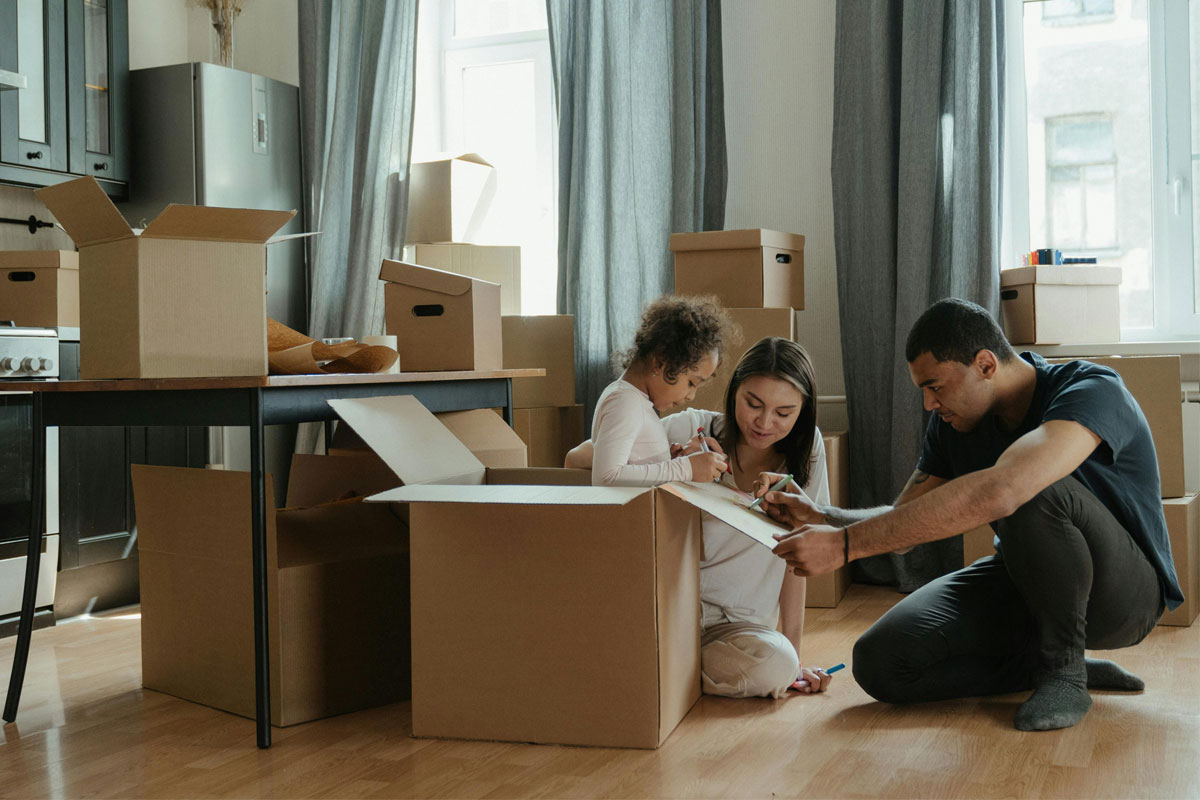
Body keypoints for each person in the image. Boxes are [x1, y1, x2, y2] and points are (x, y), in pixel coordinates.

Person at [766, 298, 1181, 731]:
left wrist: (845, 547)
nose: (928, 404)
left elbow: (1008, 488)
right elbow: (905, 522)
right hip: (1026, 582)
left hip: (1125, 598)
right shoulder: (953, 424)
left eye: (936, 386)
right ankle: (1044, 664)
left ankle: (1065, 672)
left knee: (1030, 486)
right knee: (880, 662)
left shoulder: (1091, 389)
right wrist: (824, 518)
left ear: (985, 364)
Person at [568, 337, 836, 697]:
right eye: (752, 404)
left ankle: (663, 671)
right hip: (671, 613)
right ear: (733, 392)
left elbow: (797, 559)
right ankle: (666, 668)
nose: (764, 422)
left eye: (784, 413)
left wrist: (796, 658)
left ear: (803, 411)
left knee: (778, 665)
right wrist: (675, 463)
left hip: (740, 630)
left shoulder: (808, 454)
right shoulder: (692, 428)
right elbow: (578, 458)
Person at [590, 295, 732, 486]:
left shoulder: (636, 401)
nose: (691, 395)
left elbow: (634, 469)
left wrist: (668, 462)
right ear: (660, 362)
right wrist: (685, 468)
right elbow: (606, 477)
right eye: (691, 383)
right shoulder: (625, 402)